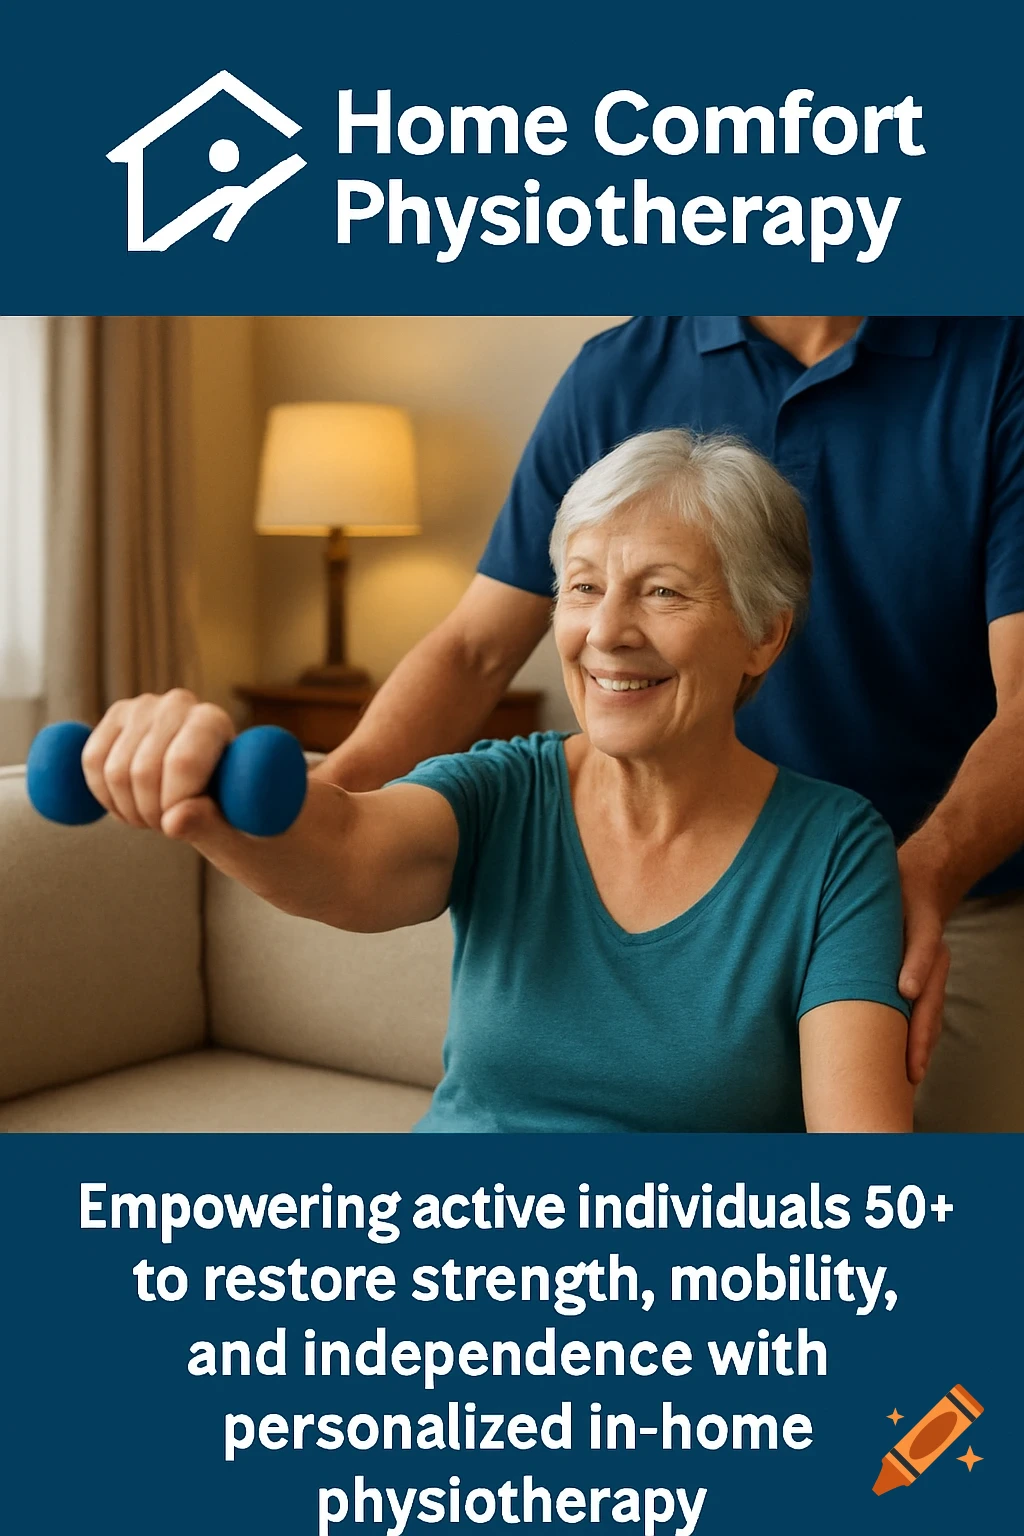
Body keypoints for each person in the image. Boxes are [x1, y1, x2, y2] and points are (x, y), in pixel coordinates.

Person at [80, 431, 913, 1134]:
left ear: (764, 635)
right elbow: (339, 852)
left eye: (661, 592)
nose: (607, 633)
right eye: (583, 588)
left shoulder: (836, 853)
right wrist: (205, 804)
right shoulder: (503, 790)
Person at [314, 316, 1024, 1134]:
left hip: (947, 877)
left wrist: (925, 876)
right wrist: (326, 792)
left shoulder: (1000, 360)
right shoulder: (617, 372)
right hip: (681, 857)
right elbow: (474, 649)